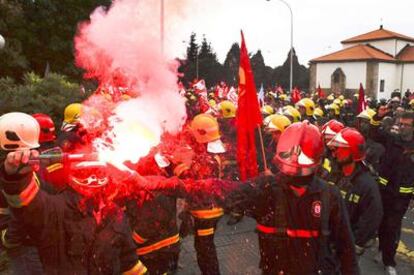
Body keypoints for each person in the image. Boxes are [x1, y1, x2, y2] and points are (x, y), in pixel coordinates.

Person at [0, 113, 147, 274]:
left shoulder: (114, 215)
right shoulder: (55, 211)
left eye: (98, 174)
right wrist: (16, 176)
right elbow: (26, 204)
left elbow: (130, 263)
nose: (94, 180)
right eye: (89, 174)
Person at [371, 109, 414, 275]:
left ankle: (390, 261)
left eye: (406, 125)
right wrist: (379, 116)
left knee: (393, 226)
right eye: (400, 124)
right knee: (382, 222)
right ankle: (382, 249)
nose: (402, 127)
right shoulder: (392, 139)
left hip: (402, 197)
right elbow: (374, 133)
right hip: (384, 191)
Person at [328, 128, 383, 257]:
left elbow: (373, 217)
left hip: (343, 249)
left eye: (338, 149)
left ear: (352, 152)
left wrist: (354, 243)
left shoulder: (367, 185)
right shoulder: (336, 175)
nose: (334, 154)